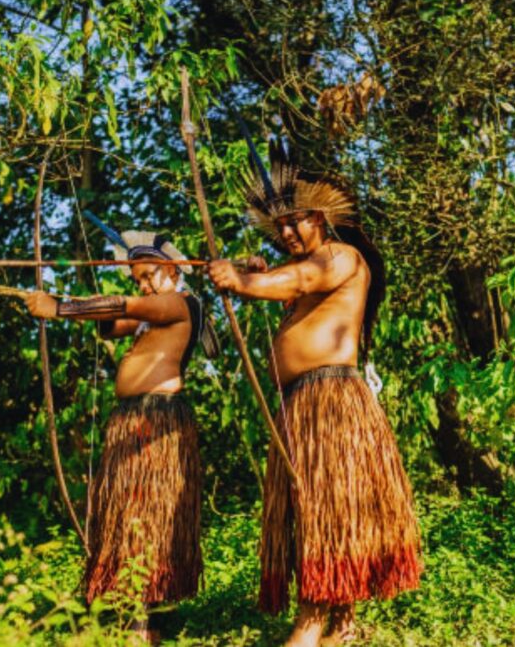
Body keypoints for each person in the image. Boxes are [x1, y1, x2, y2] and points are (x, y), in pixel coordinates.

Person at [208, 142, 422, 646]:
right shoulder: (302, 269)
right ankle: (341, 623)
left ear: (321, 217)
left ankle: (310, 626)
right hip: (302, 403)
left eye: (295, 221)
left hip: (331, 401)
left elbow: (300, 278)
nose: (285, 233)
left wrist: (242, 280)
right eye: (279, 227)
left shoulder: (339, 256)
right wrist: (252, 277)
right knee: (318, 511)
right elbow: (287, 283)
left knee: (329, 508)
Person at [23, 231, 211, 644]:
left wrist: (60, 308)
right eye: (137, 278)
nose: (142, 284)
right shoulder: (150, 314)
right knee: (128, 520)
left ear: (173, 270)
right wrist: (54, 303)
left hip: (156, 422)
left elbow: (123, 305)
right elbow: (111, 323)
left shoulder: (178, 303)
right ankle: (134, 619)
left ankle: (147, 625)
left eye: (148, 275)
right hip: (134, 419)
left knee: (148, 520)